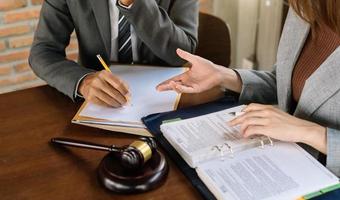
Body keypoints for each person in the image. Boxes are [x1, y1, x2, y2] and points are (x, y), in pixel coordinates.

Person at [157, 0, 340, 177]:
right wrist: (223, 75)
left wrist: (311, 132)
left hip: (324, 176)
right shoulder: (304, 7)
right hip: (279, 158)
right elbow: (284, 84)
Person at [29, 0, 198, 107]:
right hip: (99, 101)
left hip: (164, 97)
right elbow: (43, 51)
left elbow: (181, 54)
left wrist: (135, 3)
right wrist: (83, 81)